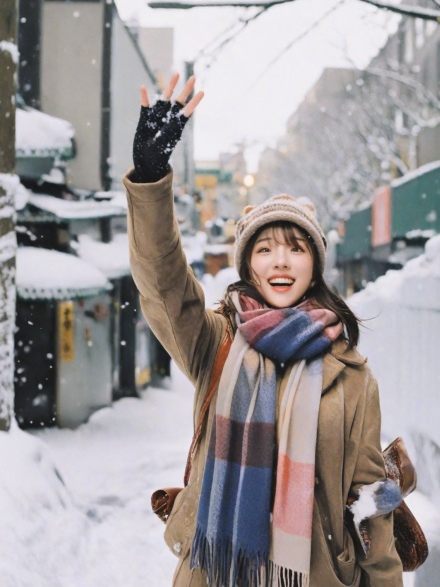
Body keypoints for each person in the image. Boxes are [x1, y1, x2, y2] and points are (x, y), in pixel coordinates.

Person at [123, 74, 404, 586]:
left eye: (296, 248)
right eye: (265, 247)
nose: (281, 261)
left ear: (314, 266)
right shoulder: (216, 345)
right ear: (248, 263)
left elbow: (371, 503)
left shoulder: (352, 375)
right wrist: (151, 180)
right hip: (219, 573)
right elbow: (162, 282)